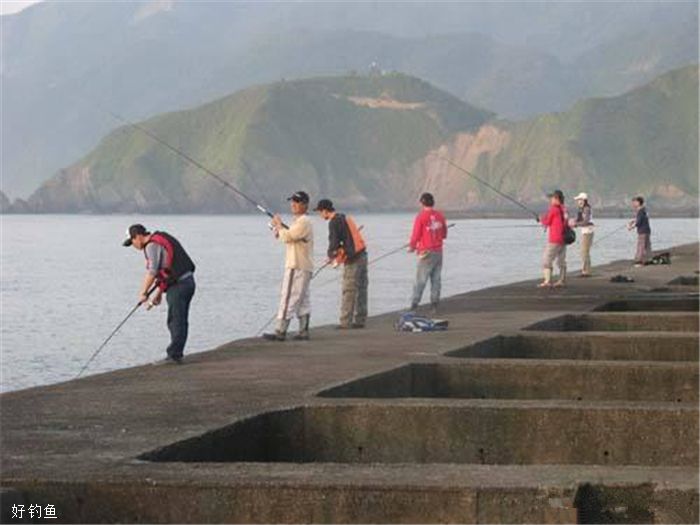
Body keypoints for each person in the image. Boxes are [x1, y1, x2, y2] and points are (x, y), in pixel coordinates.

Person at [123, 224, 196, 364]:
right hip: (188, 282)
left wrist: (143, 292)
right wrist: (159, 293)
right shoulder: (160, 238)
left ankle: (174, 356)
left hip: (179, 286)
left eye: (132, 242)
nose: (133, 246)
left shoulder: (151, 246)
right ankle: (177, 354)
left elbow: (152, 271)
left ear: (138, 236)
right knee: (180, 320)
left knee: (175, 321)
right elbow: (168, 269)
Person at [263, 191, 314, 341]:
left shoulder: (304, 221)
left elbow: (289, 236)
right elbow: (288, 236)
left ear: (305, 204)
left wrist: (278, 225)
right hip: (303, 265)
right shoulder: (300, 222)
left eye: (297, 202)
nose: (293, 204)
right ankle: (304, 331)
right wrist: (277, 228)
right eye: (292, 201)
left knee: (288, 297)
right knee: (303, 299)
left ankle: (280, 331)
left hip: (296, 265)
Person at [315, 199, 368, 329]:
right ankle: (360, 319)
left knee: (348, 290)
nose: (320, 215)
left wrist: (331, 256)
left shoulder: (333, 222)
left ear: (325, 211)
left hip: (352, 259)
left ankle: (345, 322)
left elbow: (334, 243)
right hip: (362, 255)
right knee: (361, 289)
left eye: (320, 212)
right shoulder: (344, 217)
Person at [408, 192, 448, 313]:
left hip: (426, 252)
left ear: (422, 203)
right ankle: (434, 306)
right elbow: (444, 234)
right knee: (436, 279)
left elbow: (416, 235)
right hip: (438, 252)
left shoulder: (421, 217)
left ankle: (414, 306)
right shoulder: (440, 216)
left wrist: (412, 247)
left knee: (420, 280)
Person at [539, 190, 568, 288]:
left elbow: (547, 222)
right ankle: (561, 280)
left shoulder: (553, 209)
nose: (550, 200)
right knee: (561, 261)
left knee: (546, 260)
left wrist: (540, 219)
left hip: (555, 239)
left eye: (552, 198)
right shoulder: (564, 209)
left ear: (556, 199)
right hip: (563, 239)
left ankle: (547, 281)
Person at [573, 192, 594, 277]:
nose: (578, 201)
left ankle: (586, 271)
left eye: (579, 200)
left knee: (584, 251)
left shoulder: (586, 209)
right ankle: (585, 270)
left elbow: (586, 221)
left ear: (583, 200)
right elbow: (580, 220)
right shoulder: (583, 209)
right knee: (584, 251)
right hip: (585, 231)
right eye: (577, 200)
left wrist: (575, 224)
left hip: (588, 232)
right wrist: (575, 222)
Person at [628, 196, 652, 266]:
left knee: (641, 246)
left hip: (642, 231)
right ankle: (648, 259)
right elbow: (641, 219)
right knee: (647, 246)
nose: (633, 204)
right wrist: (633, 221)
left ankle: (639, 261)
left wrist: (631, 227)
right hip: (646, 230)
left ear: (638, 203)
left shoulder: (640, 211)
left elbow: (639, 222)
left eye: (634, 202)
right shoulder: (643, 210)